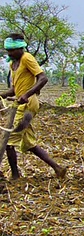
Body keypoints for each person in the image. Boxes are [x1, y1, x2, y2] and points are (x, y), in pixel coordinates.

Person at [0, 33, 66, 180]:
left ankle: (15, 176)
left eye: (12, 50)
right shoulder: (13, 64)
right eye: (8, 50)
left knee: (9, 140)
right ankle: (58, 168)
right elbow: (15, 89)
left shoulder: (27, 58)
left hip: (29, 105)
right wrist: (4, 95)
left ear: (20, 48)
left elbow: (43, 78)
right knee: (29, 143)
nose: (9, 53)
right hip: (20, 104)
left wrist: (26, 95)